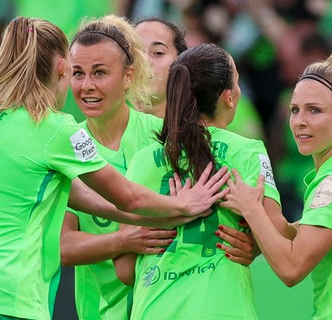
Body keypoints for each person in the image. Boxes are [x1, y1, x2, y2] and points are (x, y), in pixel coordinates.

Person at [0, 17, 230, 320]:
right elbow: (128, 198)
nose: (82, 85)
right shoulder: (53, 128)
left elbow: (84, 198)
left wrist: (162, 216)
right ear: (60, 69)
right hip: (1, 297)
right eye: (75, 72)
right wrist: (183, 205)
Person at [60, 16, 257, 320]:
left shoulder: (170, 142)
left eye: (158, 52)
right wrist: (124, 240)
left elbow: (231, 213)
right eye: (78, 73)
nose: (88, 85)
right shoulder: (67, 145)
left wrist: (252, 244)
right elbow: (62, 244)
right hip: (101, 312)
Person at [113, 43, 294, 320]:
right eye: (237, 82)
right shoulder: (247, 151)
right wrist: (311, 227)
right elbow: (279, 232)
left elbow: (125, 272)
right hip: (223, 309)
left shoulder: (143, 160)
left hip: (155, 309)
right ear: (228, 98)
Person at [221, 50, 332, 319]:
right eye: (295, 110)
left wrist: (252, 210)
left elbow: (292, 269)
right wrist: (265, 239)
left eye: (314, 110)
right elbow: (321, 234)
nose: (300, 121)